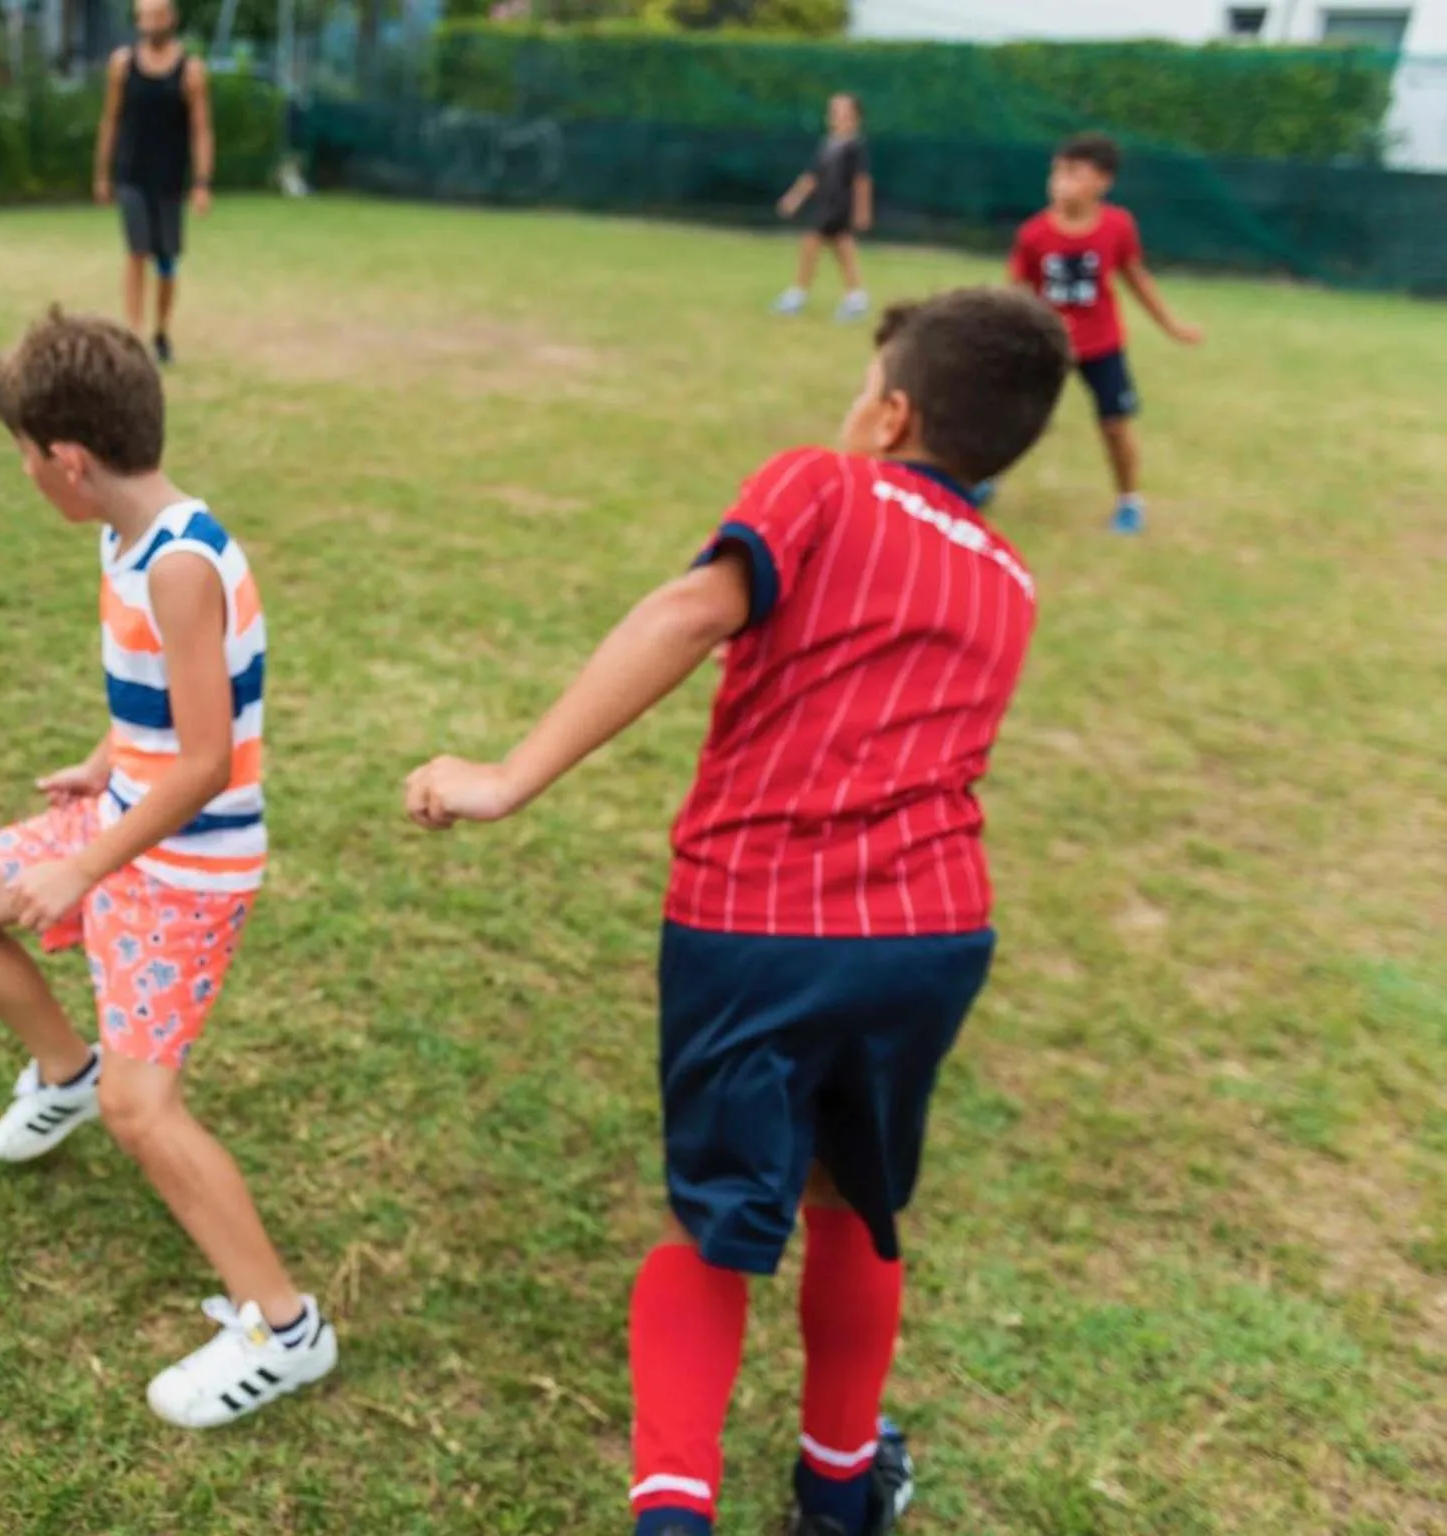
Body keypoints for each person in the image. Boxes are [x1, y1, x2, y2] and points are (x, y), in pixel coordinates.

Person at [404, 288, 1075, 1536]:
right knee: (851, 1197)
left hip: (760, 917)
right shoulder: (1012, 580)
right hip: (933, 933)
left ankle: (674, 1517)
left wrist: (503, 778)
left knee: (712, 1220)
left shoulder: (823, 482)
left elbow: (687, 609)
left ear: (890, 412)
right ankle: (836, 1491)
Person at [0, 308, 337, 1428]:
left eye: (26, 455)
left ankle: (284, 1330)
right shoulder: (121, 535)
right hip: (130, 819)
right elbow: (164, 717)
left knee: (150, 1115)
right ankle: (64, 1071)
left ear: (71, 461)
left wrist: (83, 866)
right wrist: (100, 765)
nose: (26, 473)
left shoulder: (182, 563)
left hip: (185, 870)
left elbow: (205, 759)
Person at [1009, 131, 1202, 534]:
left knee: (1115, 425)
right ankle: (981, 479)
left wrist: (1172, 326)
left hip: (1101, 347)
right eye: (1057, 172)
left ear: (1102, 182)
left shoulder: (1117, 226)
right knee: (1017, 419)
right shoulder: (1033, 234)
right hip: (1048, 346)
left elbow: (1136, 277)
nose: (1060, 181)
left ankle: (1129, 501)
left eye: (1074, 173)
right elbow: (1015, 292)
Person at [94, 0, 214, 366]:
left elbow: (201, 129)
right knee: (136, 253)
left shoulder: (190, 71)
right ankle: (133, 333)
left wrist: (202, 182)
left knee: (166, 261)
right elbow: (110, 120)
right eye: (144, 16)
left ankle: (161, 331)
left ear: (172, 19)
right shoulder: (121, 65)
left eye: (157, 15)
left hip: (170, 180)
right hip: (132, 176)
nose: (150, 23)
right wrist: (102, 172)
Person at [774, 93, 874, 323]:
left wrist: (863, 212)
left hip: (840, 207)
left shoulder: (855, 146)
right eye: (833, 111)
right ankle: (856, 298)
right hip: (825, 204)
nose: (836, 116)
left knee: (811, 242)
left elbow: (862, 181)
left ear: (855, 117)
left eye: (843, 112)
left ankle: (797, 295)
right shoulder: (828, 144)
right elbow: (812, 176)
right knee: (842, 249)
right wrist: (794, 198)